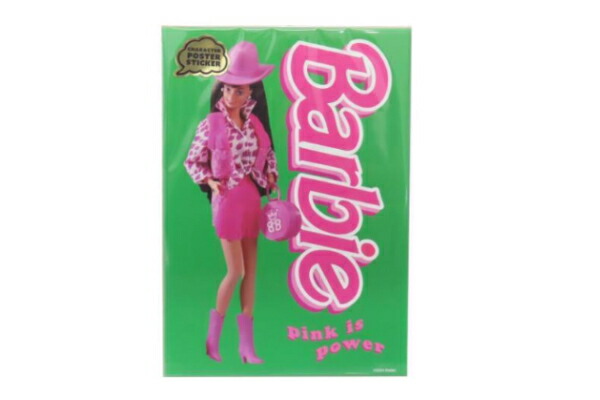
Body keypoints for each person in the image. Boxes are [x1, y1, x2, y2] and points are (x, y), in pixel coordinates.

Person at [184, 41, 278, 364]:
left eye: (239, 91)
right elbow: (192, 161)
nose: (231, 96)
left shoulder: (255, 125)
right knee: (235, 270)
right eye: (227, 88)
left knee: (251, 272)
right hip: (226, 201)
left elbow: (268, 155)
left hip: (251, 199)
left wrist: (271, 175)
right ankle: (212, 340)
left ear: (250, 93)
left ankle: (246, 347)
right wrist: (209, 180)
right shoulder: (210, 125)